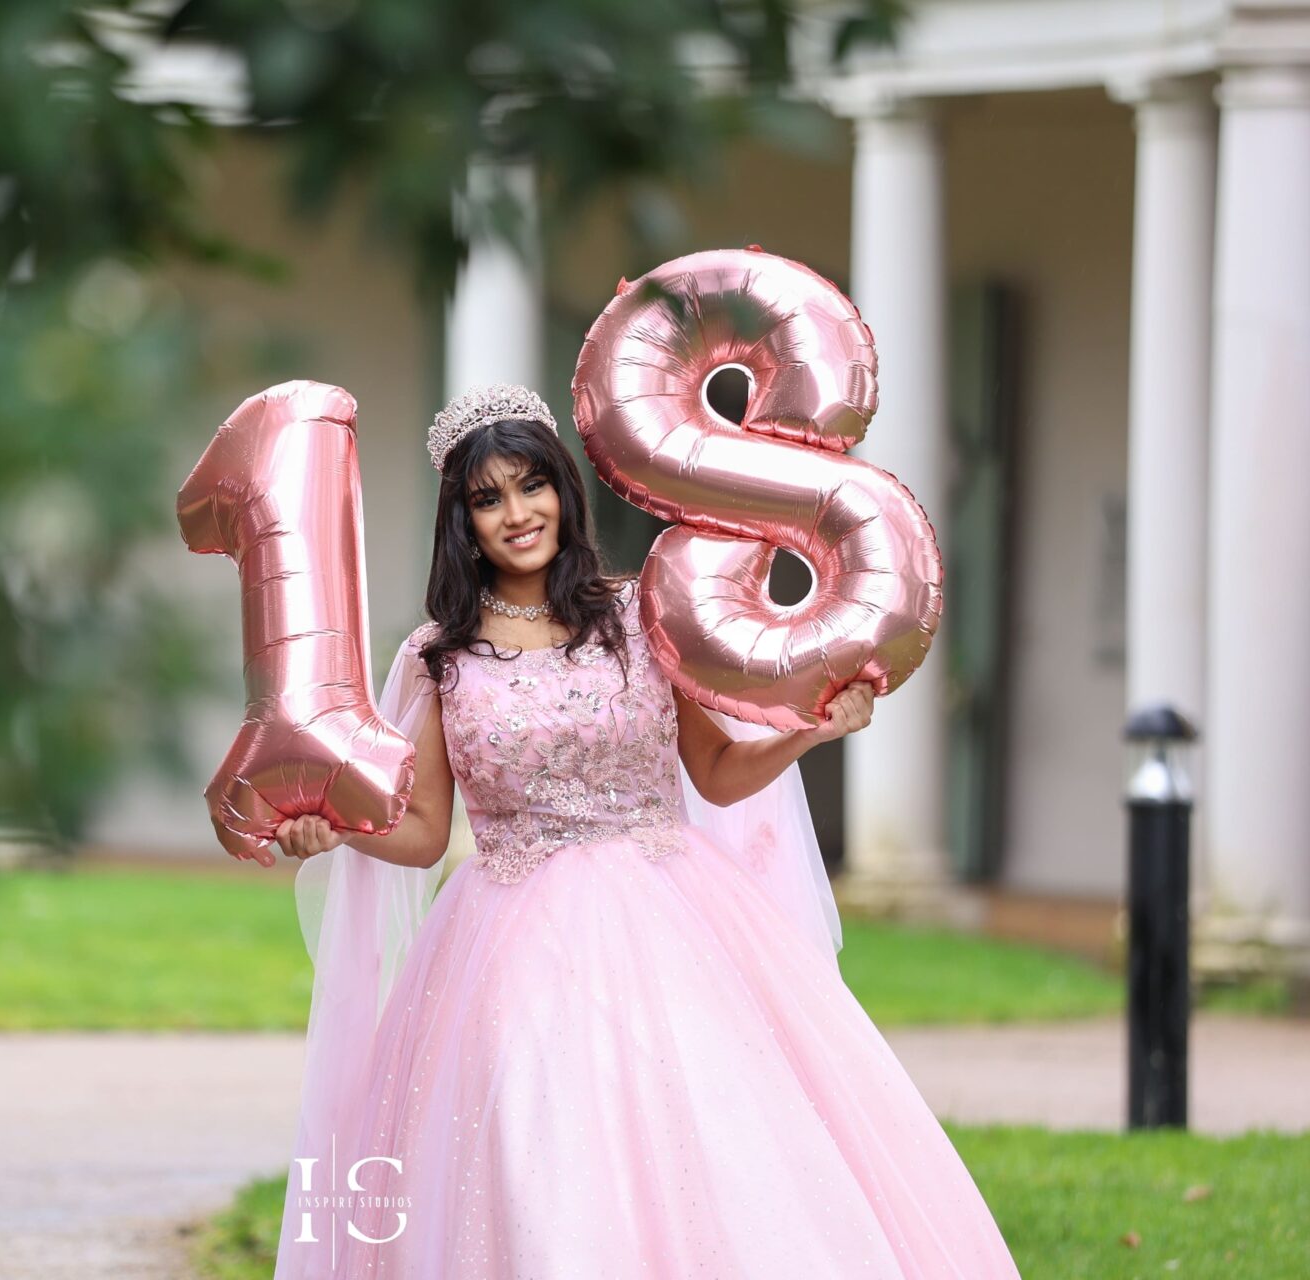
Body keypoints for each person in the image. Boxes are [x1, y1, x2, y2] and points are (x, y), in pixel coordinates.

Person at [239, 384, 1020, 1278]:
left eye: (531, 485)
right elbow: (420, 832)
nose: (516, 514)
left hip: (672, 918)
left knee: (712, 1137)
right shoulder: (438, 656)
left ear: (565, 492)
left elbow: (718, 773)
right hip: (509, 944)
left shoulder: (641, 617)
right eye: (486, 499)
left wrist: (813, 726)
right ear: (461, 522)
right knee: (542, 1146)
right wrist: (332, 827)